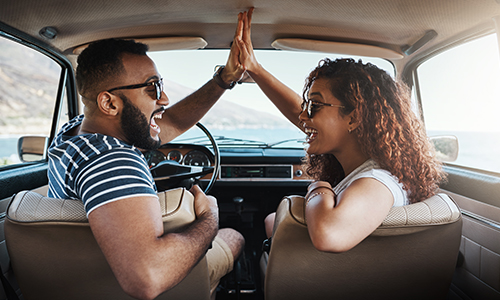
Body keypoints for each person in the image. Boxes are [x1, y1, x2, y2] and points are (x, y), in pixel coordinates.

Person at [47, 16, 247, 300]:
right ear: (109, 102)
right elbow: (148, 278)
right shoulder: (113, 161)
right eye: (152, 87)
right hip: (134, 284)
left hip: (82, 279)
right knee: (234, 237)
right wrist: (209, 218)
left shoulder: (75, 137)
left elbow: (173, 122)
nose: (163, 98)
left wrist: (223, 80)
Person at [234, 9, 446, 252]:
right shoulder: (372, 170)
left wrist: (319, 186)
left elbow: (328, 235)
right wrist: (255, 70)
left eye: (314, 106)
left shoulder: (377, 183)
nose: (304, 116)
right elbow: (302, 114)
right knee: (272, 220)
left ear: (354, 117)